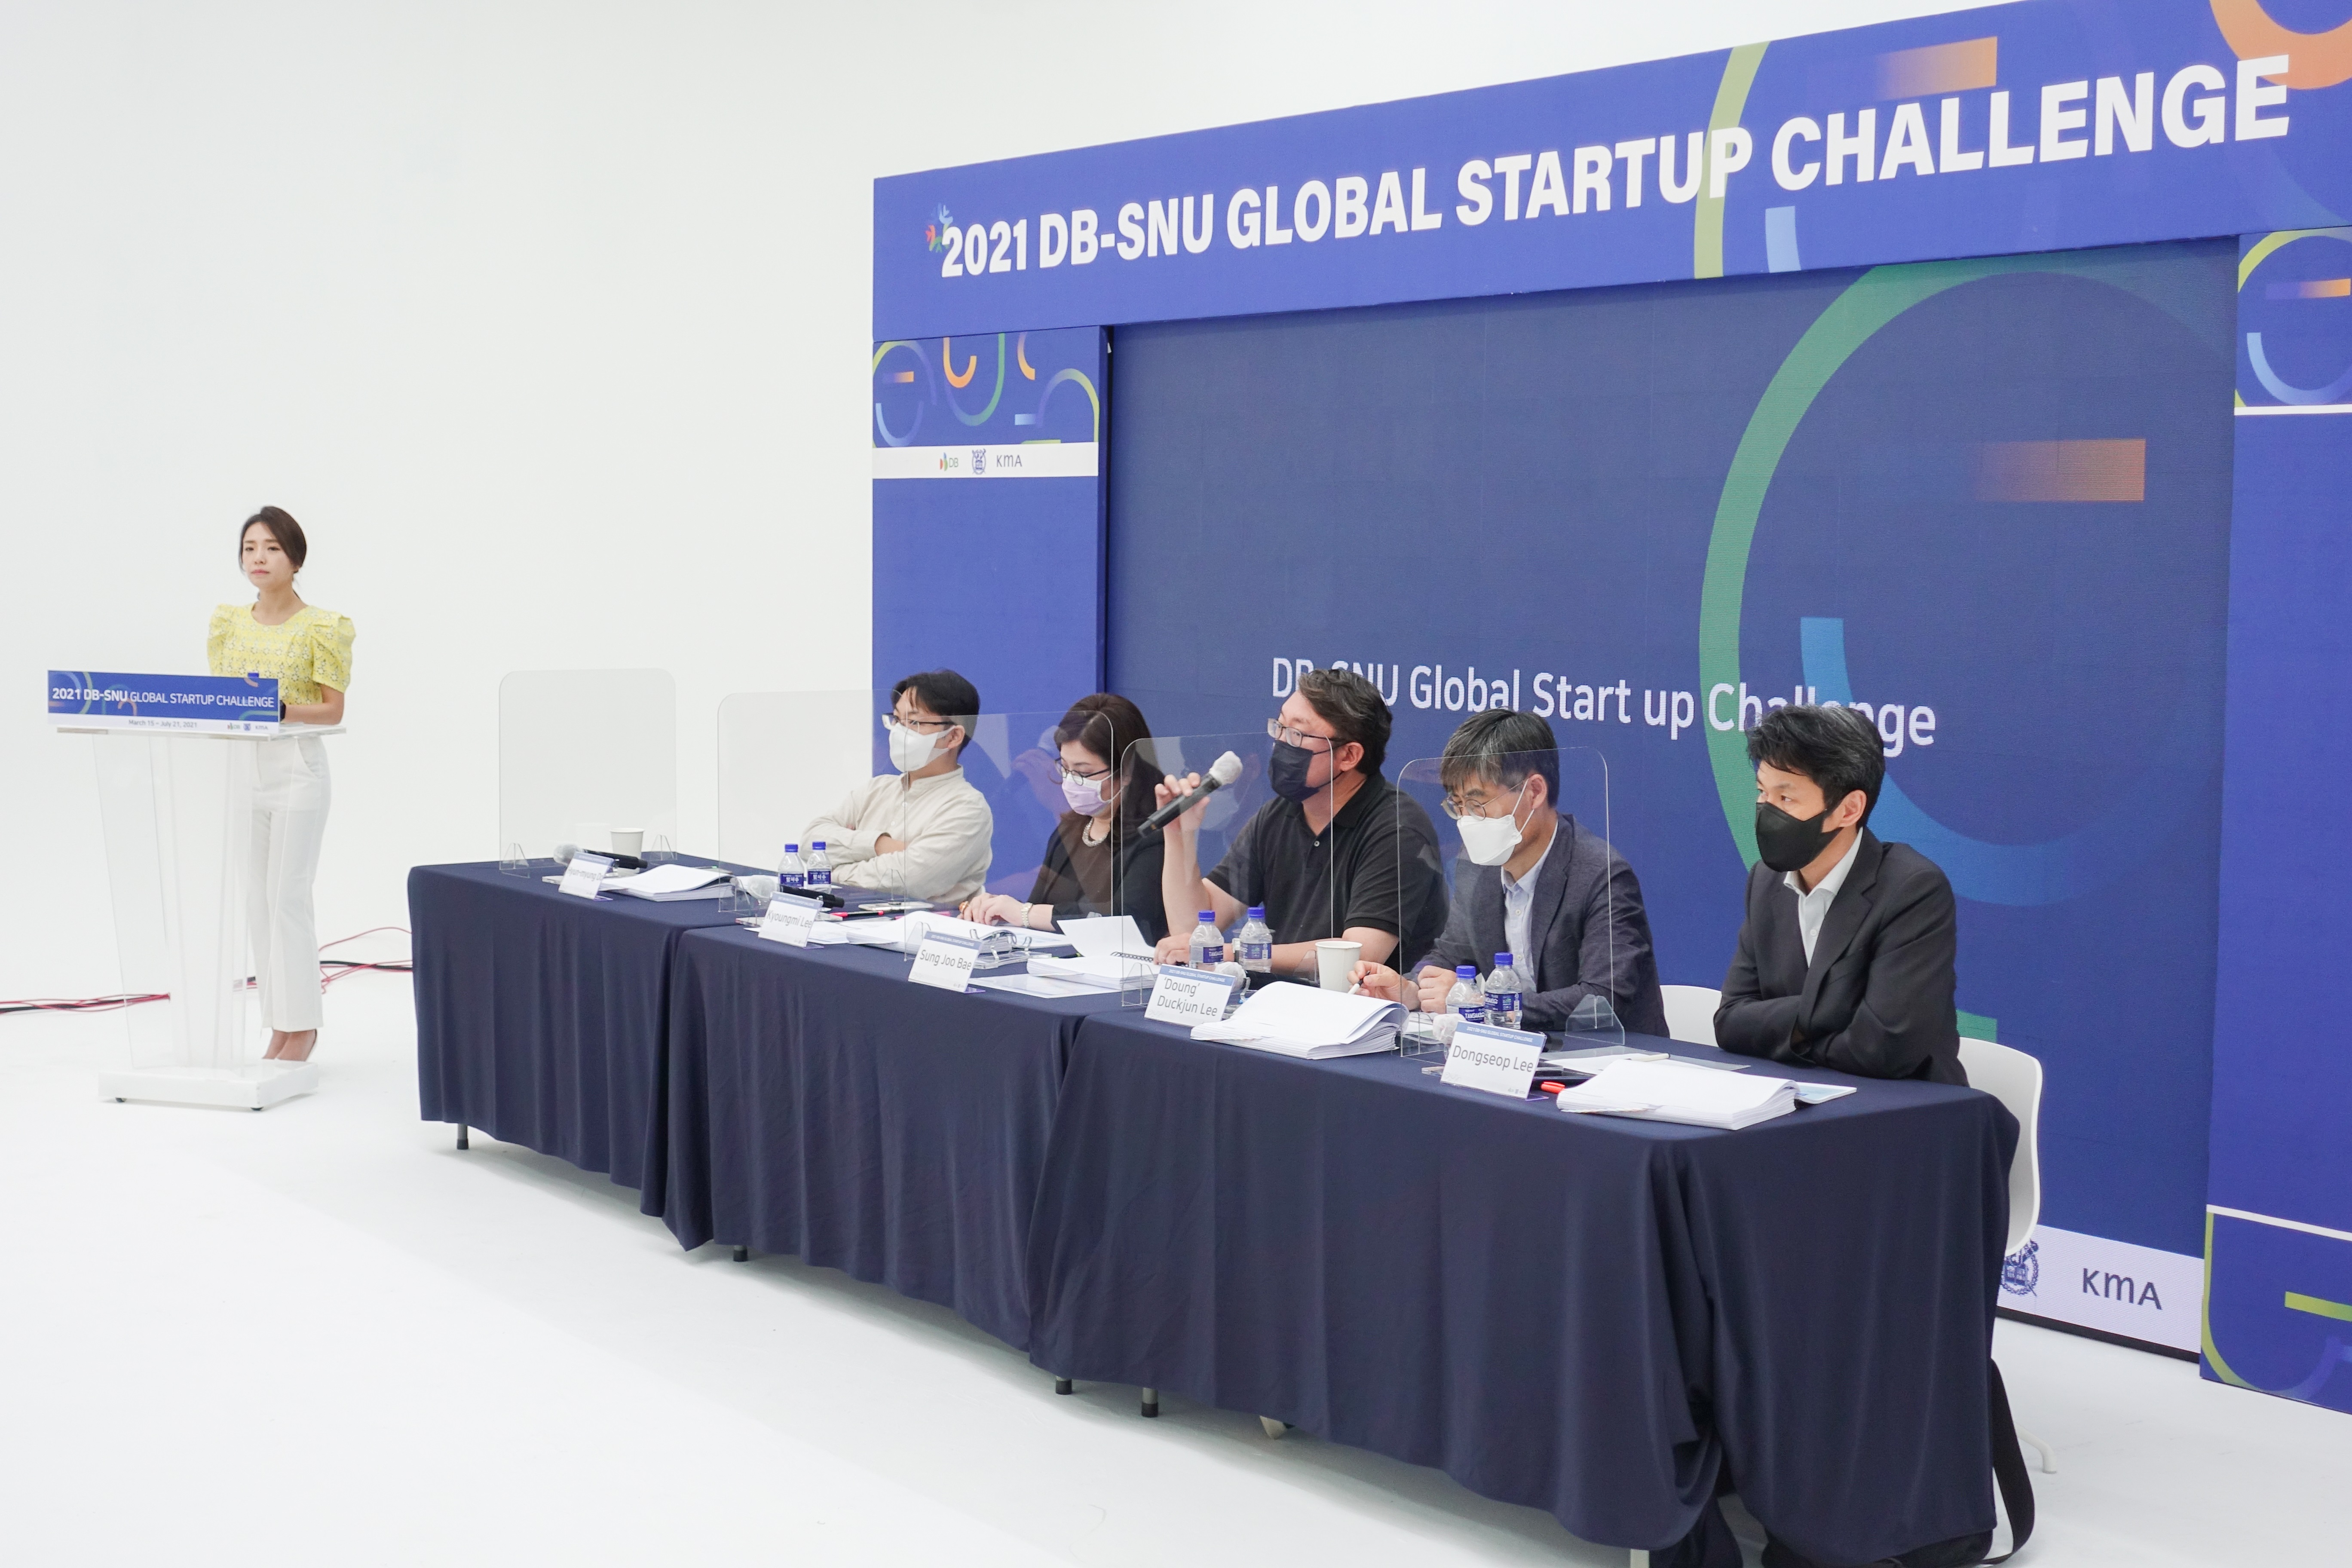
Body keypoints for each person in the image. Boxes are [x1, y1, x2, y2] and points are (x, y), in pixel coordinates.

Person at [1348, 708, 1668, 1035]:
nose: (1466, 821)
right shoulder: (1476, 867)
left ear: (1534, 792)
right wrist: (1412, 988)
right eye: (1458, 805)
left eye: (1478, 804)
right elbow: (1450, 954)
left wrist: (1481, 1003)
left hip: (1610, 1055)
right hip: (1511, 1052)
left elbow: (1603, 999)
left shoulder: (1601, 876)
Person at [1715, 703, 1965, 1085]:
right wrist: (1836, 1008)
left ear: (1849, 809)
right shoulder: (1766, 882)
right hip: (1793, 1101)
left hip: (1904, 1108)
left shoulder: (1912, 890)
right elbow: (1732, 1022)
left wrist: (1791, 1034)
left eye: (1786, 799)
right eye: (1762, 793)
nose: (1766, 810)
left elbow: (1883, 1047)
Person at [1151, 666, 1445, 974]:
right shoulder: (1279, 814)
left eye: (1297, 734)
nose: (1280, 742)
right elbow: (1194, 929)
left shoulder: (1397, 829)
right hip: (1278, 996)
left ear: (1348, 756)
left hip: (1361, 1000)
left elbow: (1358, 954)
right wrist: (1179, 834)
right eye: (1279, 727)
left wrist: (1232, 953)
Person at [207, 507, 353, 1066]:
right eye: (250, 548)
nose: (259, 558)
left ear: (295, 558)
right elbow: (222, 700)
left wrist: (278, 708)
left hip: (296, 768)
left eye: (271, 548)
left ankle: (303, 1027)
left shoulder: (322, 626)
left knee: (287, 897)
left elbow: (333, 708)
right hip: (244, 770)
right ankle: (279, 1025)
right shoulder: (229, 623)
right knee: (257, 901)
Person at [961, 694, 1169, 945]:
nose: (1070, 781)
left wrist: (1025, 913)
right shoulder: (1073, 827)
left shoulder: (1155, 834)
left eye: (1083, 772)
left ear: (1126, 771)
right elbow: (1041, 910)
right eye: (1065, 768)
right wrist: (997, 907)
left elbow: (1127, 920)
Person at [805, 670, 993, 904]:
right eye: (897, 720)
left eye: (914, 722)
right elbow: (809, 843)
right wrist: (879, 844)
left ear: (953, 737)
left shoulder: (967, 808)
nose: (899, 731)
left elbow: (908, 880)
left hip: (923, 925)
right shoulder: (877, 789)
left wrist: (833, 872)